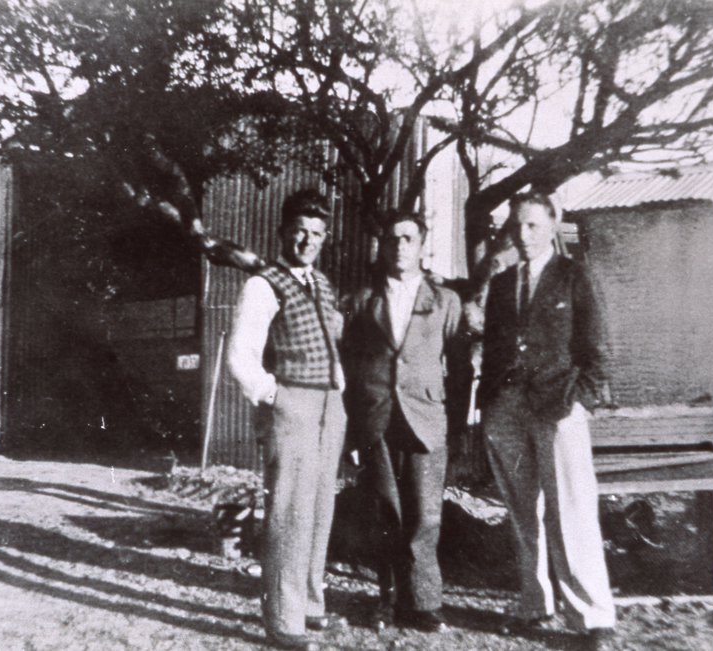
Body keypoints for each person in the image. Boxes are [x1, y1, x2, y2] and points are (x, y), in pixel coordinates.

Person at [478, 190, 616, 647]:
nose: (524, 235)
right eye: (517, 226)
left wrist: (581, 402)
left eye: (533, 225)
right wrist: (489, 402)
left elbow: (597, 350)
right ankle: (534, 605)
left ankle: (593, 617)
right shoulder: (501, 284)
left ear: (553, 226)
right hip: (506, 409)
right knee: (522, 513)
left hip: (558, 408)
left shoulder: (574, 277)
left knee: (572, 512)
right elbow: (494, 349)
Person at [227, 189, 346, 651]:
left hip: (328, 405)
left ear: (325, 237)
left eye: (316, 233)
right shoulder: (263, 283)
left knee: (319, 510)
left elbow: (332, 348)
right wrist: (273, 395)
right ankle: (283, 617)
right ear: (282, 232)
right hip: (292, 405)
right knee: (290, 513)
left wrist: (340, 391)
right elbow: (242, 355)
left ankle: (311, 605)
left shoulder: (323, 283)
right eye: (299, 230)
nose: (307, 240)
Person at [342, 211, 462, 634]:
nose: (400, 247)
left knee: (425, 516)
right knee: (384, 514)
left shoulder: (445, 301)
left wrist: (455, 424)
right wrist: (353, 428)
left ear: (422, 244)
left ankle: (424, 602)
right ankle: (386, 599)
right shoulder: (360, 302)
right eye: (392, 239)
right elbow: (350, 366)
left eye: (408, 238)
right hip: (377, 417)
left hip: (426, 418)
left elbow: (458, 363)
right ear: (382, 245)